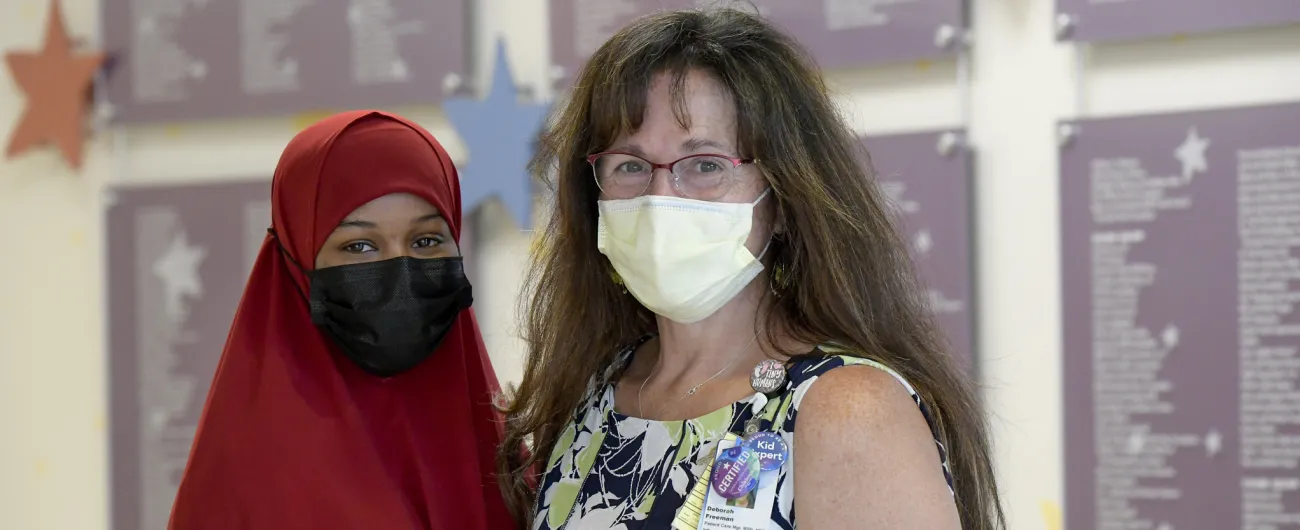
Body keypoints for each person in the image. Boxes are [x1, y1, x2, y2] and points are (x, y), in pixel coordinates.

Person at [497, 7, 1004, 530]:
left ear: (782, 198)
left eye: (706, 165)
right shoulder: (595, 390)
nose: (660, 196)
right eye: (630, 165)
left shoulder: (848, 409)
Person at [169, 111, 518, 530]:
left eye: (426, 240)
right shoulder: (241, 478)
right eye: (359, 246)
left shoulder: (508, 457)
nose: (399, 273)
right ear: (297, 259)